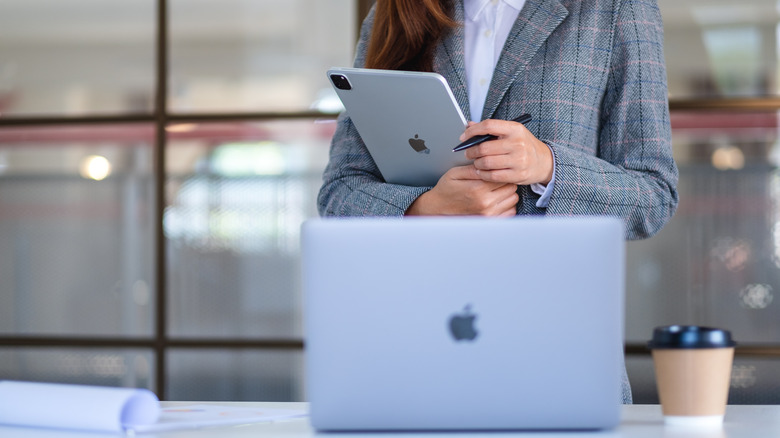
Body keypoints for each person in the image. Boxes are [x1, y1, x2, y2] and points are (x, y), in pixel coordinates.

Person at [318, 0, 679, 403]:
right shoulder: (395, 12)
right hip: (415, 350)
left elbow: (653, 195)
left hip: (556, 358)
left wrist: (547, 165)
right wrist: (425, 208)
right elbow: (339, 193)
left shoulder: (613, 9)